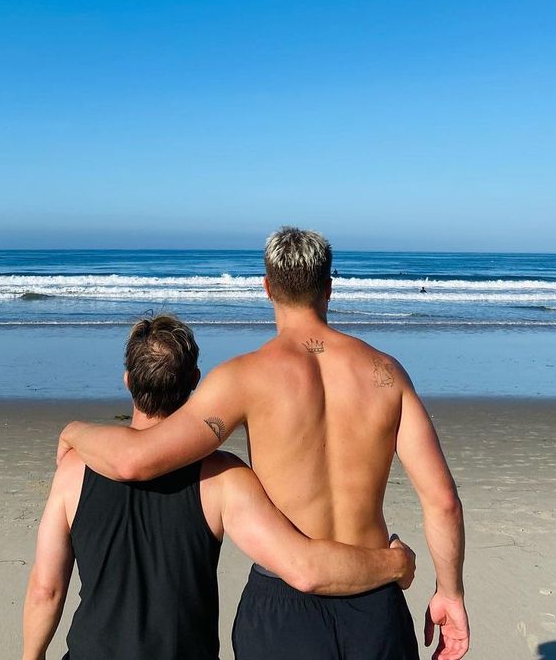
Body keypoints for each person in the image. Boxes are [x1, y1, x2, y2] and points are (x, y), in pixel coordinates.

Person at [57, 228, 470, 660]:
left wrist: (73, 432)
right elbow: (442, 500)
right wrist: (450, 593)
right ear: (329, 286)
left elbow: (134, 461)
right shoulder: (386, 374)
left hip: (283, 608)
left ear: (267, 287)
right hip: (373, 598)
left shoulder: (245, 378)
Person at [24, 313, 416, 660]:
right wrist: (393, 563)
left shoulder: (73, 471)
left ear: (127, 380)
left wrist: (32, 655)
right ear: (195, 382)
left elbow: (47, 588)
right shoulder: (223, 478)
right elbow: (303, 566)